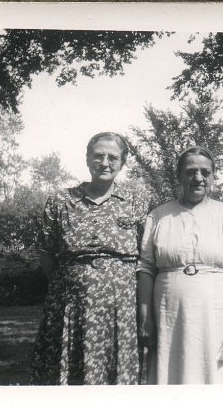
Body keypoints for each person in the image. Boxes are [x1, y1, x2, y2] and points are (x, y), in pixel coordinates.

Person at [29, 132, 148, 385]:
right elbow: (45, 254)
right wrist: (74, 282)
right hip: (69, 305)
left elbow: (146, 254)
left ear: (122, 162)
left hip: (121, 307)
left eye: (113, 157)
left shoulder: (136, 201)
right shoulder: (61, 201)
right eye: (98, 155)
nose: (105, 162)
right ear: (87, 159)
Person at [136, 146, 223, 384]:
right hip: (169, 312)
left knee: (217, 374)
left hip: (218, 312)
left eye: (205, 172)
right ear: (179, 175)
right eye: (191, 172)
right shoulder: (158, 216)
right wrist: (145, 316)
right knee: (172, 373)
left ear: (213, 176)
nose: (198, 178)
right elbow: (146, 268)